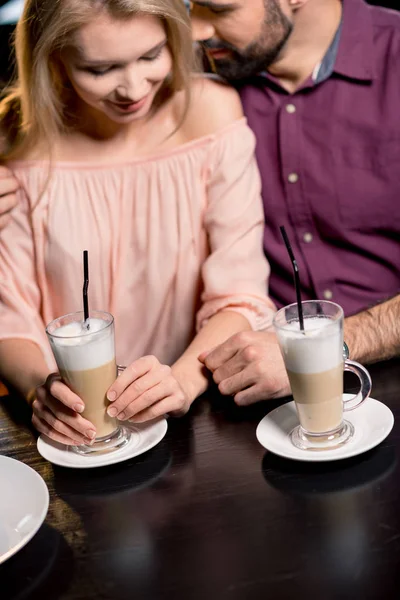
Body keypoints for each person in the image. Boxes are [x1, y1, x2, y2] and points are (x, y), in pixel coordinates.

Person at [0, 0, 275, 446]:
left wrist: (183, 381)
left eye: (151, 56)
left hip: (200, 421)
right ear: (52, 57)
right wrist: (40, 389)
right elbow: (9, 316)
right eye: (100, 68)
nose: (132, 88)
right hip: (77, 430)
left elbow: (240, 295)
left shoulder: (213, 115)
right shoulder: (15, 137)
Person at [190, 0, 400, 405]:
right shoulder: (193, 74)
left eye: (218, 10)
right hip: (255, 379)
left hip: (386, 364)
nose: (195, 30)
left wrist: (326, 346)